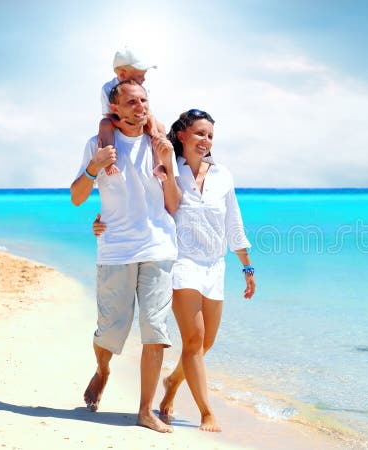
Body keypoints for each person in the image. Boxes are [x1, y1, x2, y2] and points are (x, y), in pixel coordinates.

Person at [94, 108, 256, 432]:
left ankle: (172, 384)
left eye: (210, 135)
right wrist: (102, 222)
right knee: (193, 340)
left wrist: (247, 266)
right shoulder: (166, 167)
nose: (205, 140)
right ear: (181, 135)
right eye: (199, 133)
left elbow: (233, 223)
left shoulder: (223, 175)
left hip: (215, 266)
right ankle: (206, 412)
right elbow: (136, 202)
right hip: (181, 262)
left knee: (205, 343)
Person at [71, 79, 181, 433]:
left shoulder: (159, 144)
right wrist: (94, 166)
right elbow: (76, 197)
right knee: (110, 331)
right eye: (132, 102)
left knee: (156, 329)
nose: (141, 107)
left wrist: (166, 167)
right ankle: (103, 370)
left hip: (159, 248)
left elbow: (174, 205)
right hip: (116, 250)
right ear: (114, 108)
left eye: (144, 100)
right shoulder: (98, 144)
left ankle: (145, 410)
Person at [98, 46, 168, 180]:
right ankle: (109, 162)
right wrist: (121, 124)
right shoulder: (108, 88)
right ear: (123, 74)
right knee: (104, 124)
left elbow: (149, 113)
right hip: (118, 121)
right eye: (140, 75)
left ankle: (159, 163)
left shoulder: (142, 88)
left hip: (140, 119)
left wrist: (153, 129)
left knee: (160, 127)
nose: (144, 79)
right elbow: (108, 115)